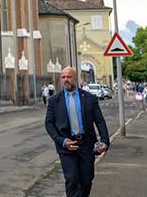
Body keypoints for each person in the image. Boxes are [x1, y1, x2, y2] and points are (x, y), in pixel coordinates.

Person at [45, 66, 109, 197]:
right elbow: (49, 124)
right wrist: (61, 141)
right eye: (63, 77)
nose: (66, 80)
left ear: (76, 78)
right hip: (67, 147)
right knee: (72, 180)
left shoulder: (89, 98)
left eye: (69, 76)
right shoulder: (54, 101)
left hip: (87, 144)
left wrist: (104, 141)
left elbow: (100, 121)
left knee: (86, 181)